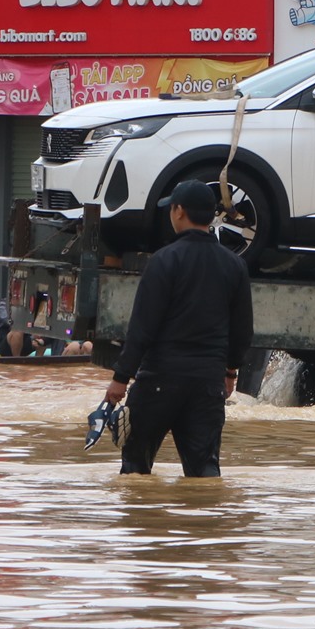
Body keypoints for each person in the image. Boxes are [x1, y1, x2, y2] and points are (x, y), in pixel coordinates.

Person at [103, 180, 253, 478]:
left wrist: (121, 378)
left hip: (159, 381)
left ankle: (147, 522)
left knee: (135, 470)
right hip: (207, 385)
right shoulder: (233, 264)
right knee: (204, 473)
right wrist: (230, 372)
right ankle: (201, 522)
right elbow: (242, 329)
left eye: (171, 208)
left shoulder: (164, 261)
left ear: (179, 211)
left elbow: (142, 328)